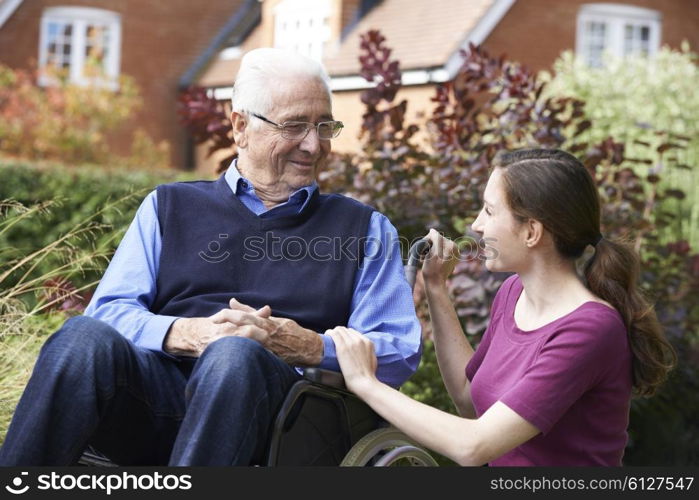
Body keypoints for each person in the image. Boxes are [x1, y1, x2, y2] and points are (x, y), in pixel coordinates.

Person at [0, 48, 421, 466]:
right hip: (154, 401)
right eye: (294, 126)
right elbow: (108, 311)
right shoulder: (168, 206)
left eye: (324, 126)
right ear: (240, 126)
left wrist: (309, 345)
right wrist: (190, 334)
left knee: (234, 355)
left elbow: (398, 351)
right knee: (80, 339)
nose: (313, 145)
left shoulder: (363, 228)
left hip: (282, 421)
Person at [328, 148, 676, 466]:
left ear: (531, 232)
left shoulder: (590, 330)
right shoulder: (513, 294)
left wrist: (365, 383)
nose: (477, 225)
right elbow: (469, 400)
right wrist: (436, 288)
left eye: (490, 210)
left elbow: (473, 446)